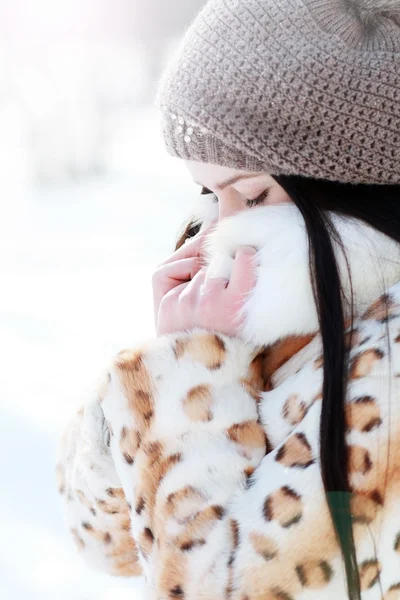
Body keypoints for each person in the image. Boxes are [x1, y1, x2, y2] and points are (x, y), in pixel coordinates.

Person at [56, 0, 400, 599]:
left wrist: (188, 374)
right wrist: (166, 373)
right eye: (208, 194)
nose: (218, 229)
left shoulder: (388, 364)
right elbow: (105, 541)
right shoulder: (277, 321)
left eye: (253, 194)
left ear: (346, 184)